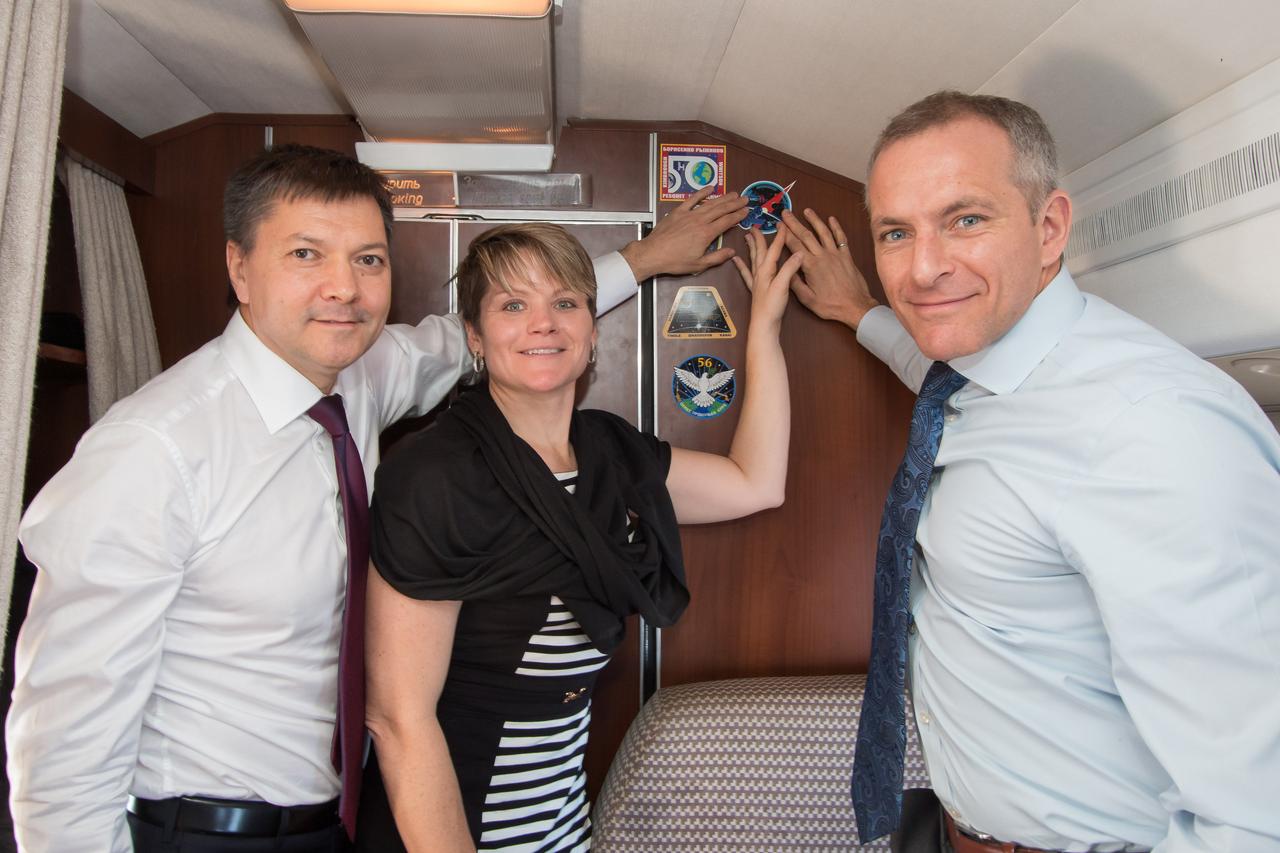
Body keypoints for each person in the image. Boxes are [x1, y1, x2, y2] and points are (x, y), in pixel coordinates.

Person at [7, 143, 748, 853]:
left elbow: (497, 337)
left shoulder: (358, 376)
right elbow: (63, 734)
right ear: (239, 267)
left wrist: (644, 259)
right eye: (306, 254)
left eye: (367, 259)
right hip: (204, 829)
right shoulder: (153, 449)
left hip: (343, 820)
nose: (343, 287)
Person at [782, 92, 1280, 852]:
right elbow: (936, 371)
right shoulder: (980, 374)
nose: (922, 269)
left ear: (1049, 229)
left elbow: (1257, 807)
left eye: (965, 220)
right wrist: (858, 310)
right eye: (896, 233)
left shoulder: (1151, 430)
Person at [353, 220, 800, 852]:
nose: (544, 324)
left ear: (592, 332)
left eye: (565, 302)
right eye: (513, 306)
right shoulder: (435, 476)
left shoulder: (608, 453)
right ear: (475, 336)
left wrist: (767, 326)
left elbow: (756, 483)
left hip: (563, 828)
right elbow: (397, 718)